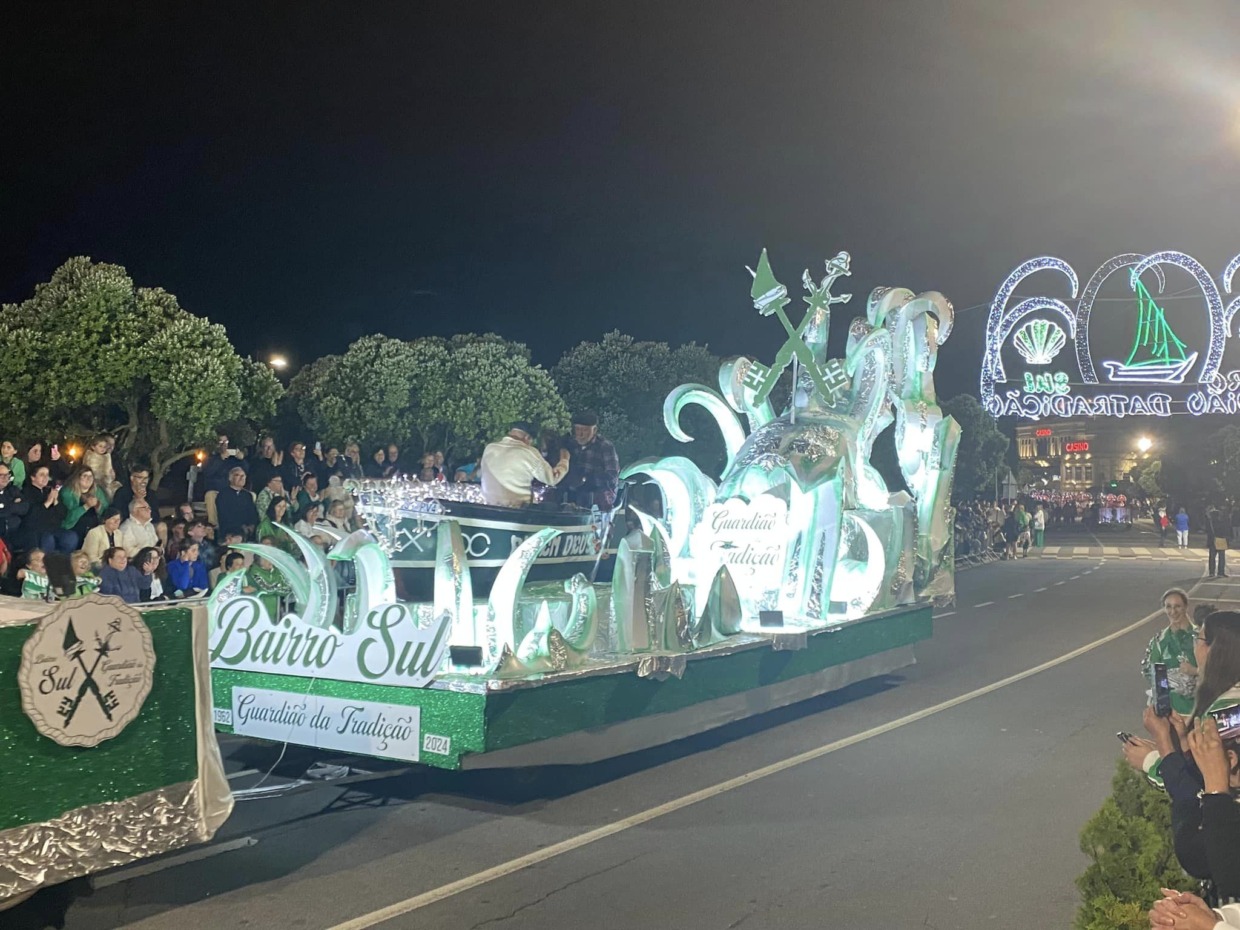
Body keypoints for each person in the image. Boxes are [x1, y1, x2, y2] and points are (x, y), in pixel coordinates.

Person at [480, 421, 570, 507]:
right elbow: (552, 479)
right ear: (527, 438)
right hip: (518, 510)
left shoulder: (489, 448)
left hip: (489, 507)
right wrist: (564, 460)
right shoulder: (528, 452)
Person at [1142, 588, 1198, 716]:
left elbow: (1215, 671)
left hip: (1197, 710)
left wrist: (1195, 671)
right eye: (1168, 607)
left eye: (1177, 606)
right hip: (1170, 712)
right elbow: (1151, 673)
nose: (1173, 612)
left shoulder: (1201, 637)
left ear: (1186, 607)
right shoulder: (1159, 641)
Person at [559, 410, 620, 509]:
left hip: (598, 492)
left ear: (594, 430)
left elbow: (612, 475)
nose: (580, 434)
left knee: (590, 498)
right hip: (573, 491)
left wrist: (586, 479)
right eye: (578, 429)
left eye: (585, 430)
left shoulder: (605, 446)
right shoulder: (570, 443)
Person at [60, 467, 109, 541]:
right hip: (73, 528)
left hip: (94, 528)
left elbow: (106, 511)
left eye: (90, 476)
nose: (88, 479)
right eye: (85, 476)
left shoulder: (97, 491)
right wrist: (86, 506)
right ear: (78, 478)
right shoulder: (68, 493)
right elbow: (69, 517)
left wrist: (98, 506)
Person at [0, 461, 30, 545]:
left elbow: (25, 508)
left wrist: (7, 507)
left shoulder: (13, 489)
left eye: (7, 475)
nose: (5, 478)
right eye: (1, 475)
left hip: (15, 531)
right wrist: (13, 506)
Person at [1207, 504, 1231, 578]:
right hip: (1221, 540)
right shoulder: (1222, 522)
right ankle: (1220, 572)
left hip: (1212, 540)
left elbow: (1208, 531)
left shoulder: (1210, 522)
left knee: (1212, 557)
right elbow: (1225, 531)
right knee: (1221, 557)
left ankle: (1211, 572)